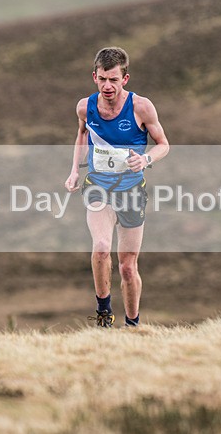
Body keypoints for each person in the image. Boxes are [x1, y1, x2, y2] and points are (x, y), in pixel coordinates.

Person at [64, 47, 170, 328]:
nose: (107, 86)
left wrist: (146, 159)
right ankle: (103, 315)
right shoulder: (85, 107)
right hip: (98, 186)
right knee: (100, 247)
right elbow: (82, 135)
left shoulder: (141, 107)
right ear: (94, 77)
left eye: (113, 79)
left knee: (127, 266)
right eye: (102, 79)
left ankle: (133, 324)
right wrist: (75, 170)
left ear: (125, 79)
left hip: (132, 191)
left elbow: (163, 145)